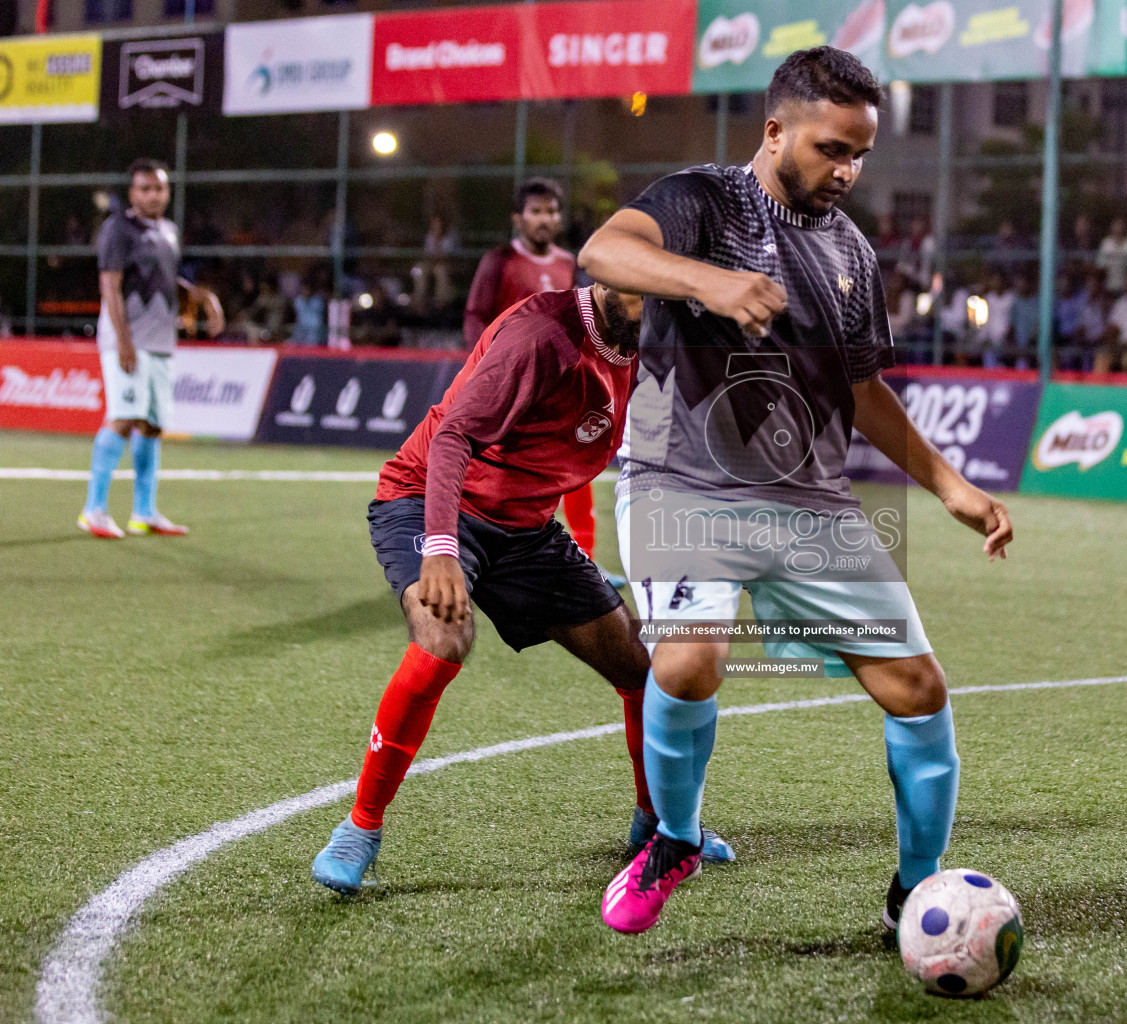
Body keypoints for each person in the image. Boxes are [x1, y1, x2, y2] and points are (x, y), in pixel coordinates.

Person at [577, 46, 1012, 935]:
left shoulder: (853, 253)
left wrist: (949, 486)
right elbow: (603, 251)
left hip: (809, 502)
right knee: (688, 660)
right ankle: (677, 838)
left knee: (919, 691)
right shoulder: (702, 201)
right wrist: (711, 281)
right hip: (680, 484)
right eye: (829, 149)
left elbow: (861, 390)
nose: (845, 171)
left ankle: (915, 893)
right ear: (774, 131)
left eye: (859, 154)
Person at [309, 283, 736, 895]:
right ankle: (360, 829)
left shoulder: (648, 346)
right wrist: (441, 548)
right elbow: (453, 438)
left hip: (526, 530)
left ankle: (657, 827)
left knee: (640, 667)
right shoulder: (544, 336)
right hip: (428, 500)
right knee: (443, 639)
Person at [462, 179, 619, 585]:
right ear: (518, 218)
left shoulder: (570, 262)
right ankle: (472, 548)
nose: (544, 218)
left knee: (574, 467)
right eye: (535, 211)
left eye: (551, 211)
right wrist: (485, 372)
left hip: (559, 386)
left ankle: (584, 560)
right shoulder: (498, 260)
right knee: (493, 466)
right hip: (508, 383)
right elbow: (476, 316)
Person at [78, 158, 223, 541]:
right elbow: (110, 285)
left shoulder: (168, 231)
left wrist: (201, 297)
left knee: (153, 425)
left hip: (160, 343)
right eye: (145, 188)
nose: (153, 195)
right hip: (128, 341)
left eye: (159, 188)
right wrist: (124, 341)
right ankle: (93, 508)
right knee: (124, 418)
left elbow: (161, 275)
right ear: (132, 192)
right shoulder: (117, 228)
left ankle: (144, 512)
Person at [1095, 216, 1127, 297]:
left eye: (1121, 225)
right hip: (1109, 288)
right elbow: (1101, 267)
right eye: (1116, 225)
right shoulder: (1106, 243)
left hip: (1126, 288)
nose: (1119, 228)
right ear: (1111, 227)